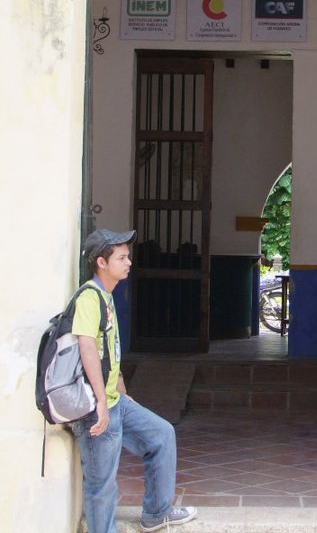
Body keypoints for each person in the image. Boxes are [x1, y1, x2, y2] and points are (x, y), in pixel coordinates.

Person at [70, 228, 197, 533]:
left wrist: (122, 391)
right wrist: (102, 402)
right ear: (102, 262)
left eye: (128, 257)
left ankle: (156, 513)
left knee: (161, 434)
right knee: (101, 485)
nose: (129, 263)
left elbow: (109, 351)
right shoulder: (89, 297)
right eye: (122, 258)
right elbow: (87, 348)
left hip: (116, 402)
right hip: (96, 408)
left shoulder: (107, 296)